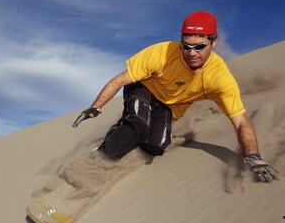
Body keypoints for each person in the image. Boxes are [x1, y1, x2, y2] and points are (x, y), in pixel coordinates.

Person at [72, 10, 279, 183]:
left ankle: (122, 142)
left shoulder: (219, 78)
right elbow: (119, 80)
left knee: (156, 145)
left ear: (213, 42)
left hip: (169, 106)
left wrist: (253, 157)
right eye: (186, 46)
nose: (191, 53)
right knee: (138, 125)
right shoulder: (161, 53)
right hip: (143, 88)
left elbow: (240, 121)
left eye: (199, 47)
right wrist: (96, 106)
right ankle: (93, 163)